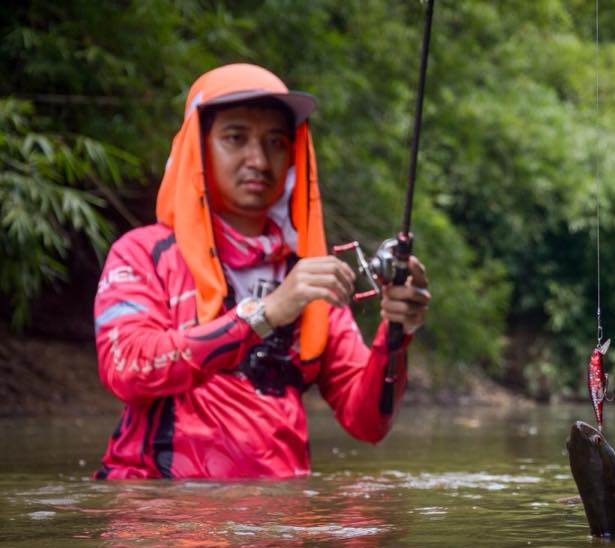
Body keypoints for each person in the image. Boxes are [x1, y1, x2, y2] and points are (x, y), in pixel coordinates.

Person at [92, 63, 429, 479]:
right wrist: (265, 314)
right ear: (198, 147)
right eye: (236, 138)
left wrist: (396, 333)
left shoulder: (306, 278)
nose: (259, 159)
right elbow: (127, 369)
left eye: (275, 142)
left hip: (276, 526)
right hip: (160, 521)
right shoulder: (142, 252)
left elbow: (368, 423)